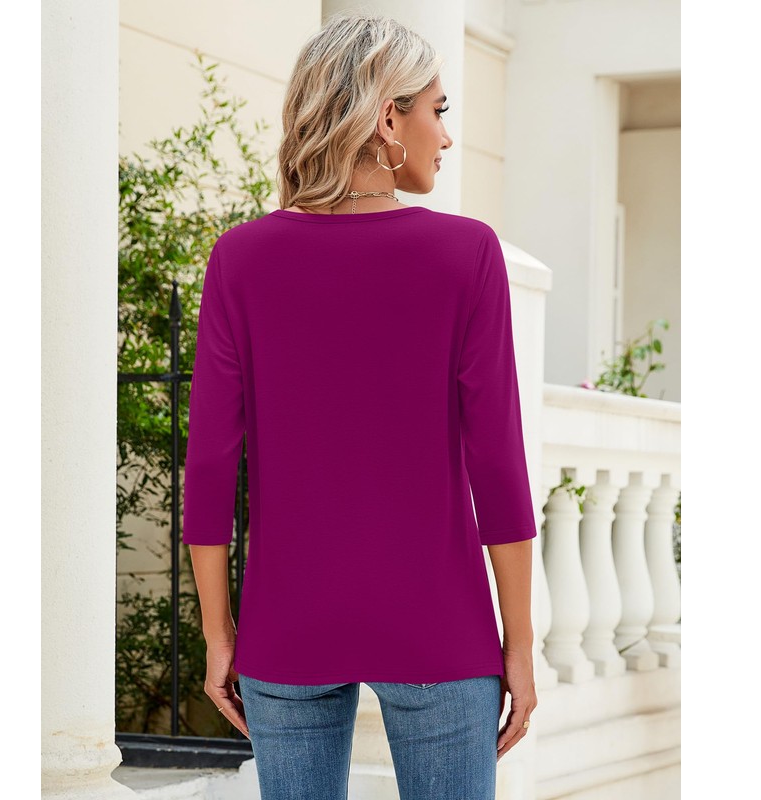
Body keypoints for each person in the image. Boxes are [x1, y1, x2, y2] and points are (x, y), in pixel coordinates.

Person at [182, 11, 538, 800]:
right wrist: (519, 642)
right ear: (388, 119)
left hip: (286, 626)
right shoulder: (467, 253)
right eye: (438, 110)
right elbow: (498, 466)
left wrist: (218, 633)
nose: (447, 136)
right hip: (440, 627)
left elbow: (208, 466)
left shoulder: (240, 259)